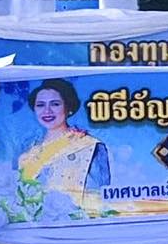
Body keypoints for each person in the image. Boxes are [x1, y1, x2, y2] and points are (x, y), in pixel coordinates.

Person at [16, 79, 112, 216]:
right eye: (40, 105)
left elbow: (99, 195)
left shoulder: (89, 146)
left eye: (55, 104)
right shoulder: (28, 148)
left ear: (69, 107)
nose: (47, 111)